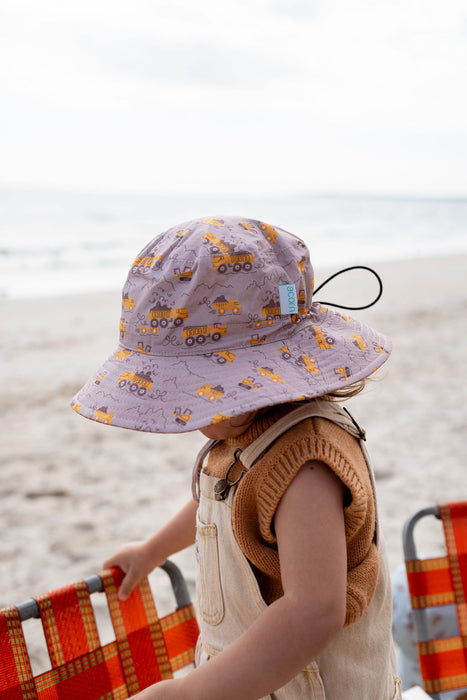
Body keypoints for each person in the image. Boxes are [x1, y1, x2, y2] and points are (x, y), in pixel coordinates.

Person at [72, 216, 402, 699]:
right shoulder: (245, 433)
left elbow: (315, 612)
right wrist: (153, 550)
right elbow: (224, 505)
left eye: (192, 390)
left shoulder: (309, 465)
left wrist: (184, 694)